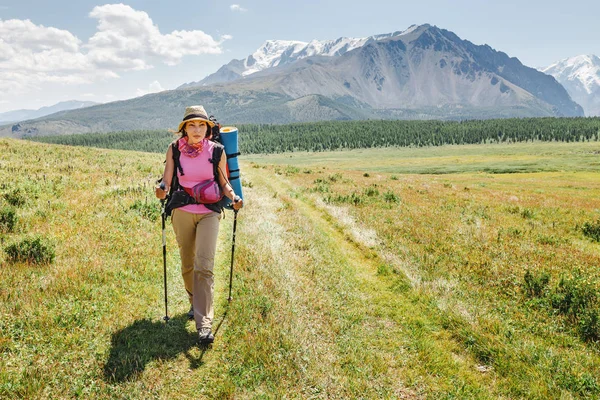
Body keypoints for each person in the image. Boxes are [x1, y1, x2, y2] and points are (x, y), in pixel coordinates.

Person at [155, 105, 243, 344]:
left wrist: (233, 196)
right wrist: (161, 190)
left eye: (201, 125)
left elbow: (224, 183)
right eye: (191, 125)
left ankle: (204, 324)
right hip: (182, 211)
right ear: (184, 129)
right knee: (187, 264)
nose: (197, 130)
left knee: (204, 266)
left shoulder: (217, 151)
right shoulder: (174, 150)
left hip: (209, 213)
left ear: (208, 128)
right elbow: (167, 181)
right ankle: (194, 301)